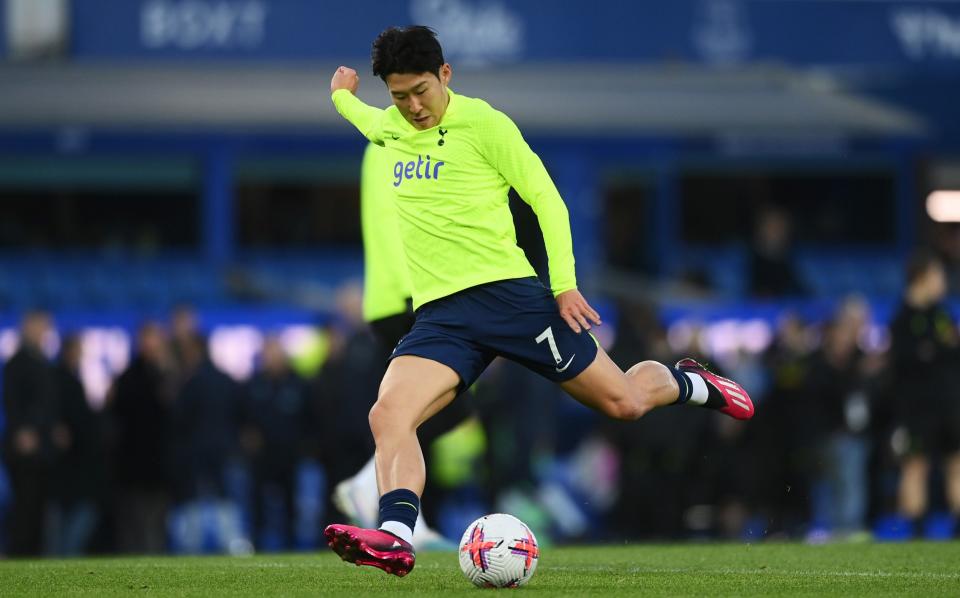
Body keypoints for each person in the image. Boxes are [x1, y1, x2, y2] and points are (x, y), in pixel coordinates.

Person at [324, 26, 754, 577]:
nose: (413, 107)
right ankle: (395, 536)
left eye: (422, 92)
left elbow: (546, 198)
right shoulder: (389, 126)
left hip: (513, 300)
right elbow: (362, 116)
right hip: (442, 316)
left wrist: (564, 284)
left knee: (622, 402)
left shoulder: (485, 124)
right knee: (388, 414)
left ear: (446, 75)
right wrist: (341, 95)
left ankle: (693, 382)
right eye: (400, 95)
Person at [331, 142, 469, 549]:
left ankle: (404, 514)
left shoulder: (382, 145)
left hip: (395, 296)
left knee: (422, 411)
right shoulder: (401, 143)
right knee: (441, 407)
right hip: (410, 295)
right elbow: (410, 220)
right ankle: (371, 488)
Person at [889, 250, 960, 537]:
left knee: (956, 461)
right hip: (916, 408)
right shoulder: (903, 318)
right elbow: (905, 361)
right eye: (938, 275)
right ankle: (915, 530)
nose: (943, 281)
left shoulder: (942, 314)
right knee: (915, 466)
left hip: (950, 404)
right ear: (922, 277)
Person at [1, 310, 64, 556]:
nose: (43, 332)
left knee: (39, 507)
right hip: (23, 448)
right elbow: (12, 401)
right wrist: (21, 430)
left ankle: (34, 557)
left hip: (44, 448)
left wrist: (53, 429)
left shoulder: (42, 361)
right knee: (24, 507)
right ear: (27, 327)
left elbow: (47, 404)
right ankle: (18, 556)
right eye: (40, 327)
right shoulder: (17, 362)